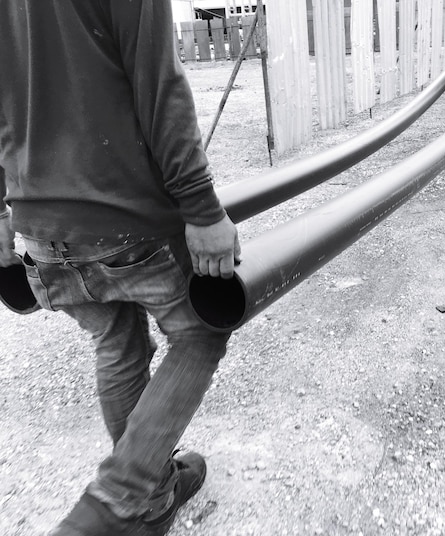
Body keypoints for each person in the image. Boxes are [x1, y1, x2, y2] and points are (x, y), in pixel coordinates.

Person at [0, 1, 241, 535]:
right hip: (124, 217)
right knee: (201, 335)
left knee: (116, 342)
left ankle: (153, 498)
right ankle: (118, 497)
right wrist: (202, 209)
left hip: (41, 225)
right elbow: (159, 88)